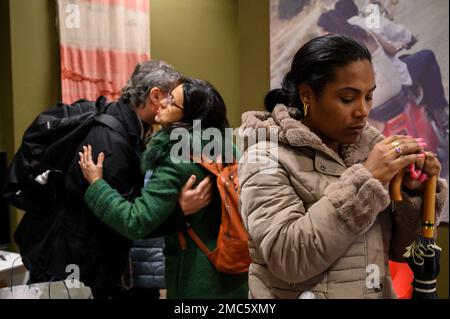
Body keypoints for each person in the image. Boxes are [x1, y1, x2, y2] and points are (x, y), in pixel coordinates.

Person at [238, 34, 448, 299]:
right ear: (307, 95)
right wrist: (368, 179)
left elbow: (403, 250)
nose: (363, 111)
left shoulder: (370, 148)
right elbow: (288, 258)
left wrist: (412, 193)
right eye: (348, 98)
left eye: (369, 97)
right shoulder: (263, 157)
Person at [14, 60, 211, 299]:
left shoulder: (126, 123)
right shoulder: (111, 141)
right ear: (155, 95)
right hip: (72, 262)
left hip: (77, 254)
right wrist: (178, 212)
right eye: (172, 98)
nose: (174, 105)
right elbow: (125, 221)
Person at [78, 77, 248, 299]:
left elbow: (136, 221)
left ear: (189, 117)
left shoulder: (175, 160)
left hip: (196, 278)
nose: (162, 103)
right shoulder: (229, 150)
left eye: (172, 102)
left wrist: (97, 184)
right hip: (234, 272)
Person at [319, 8, 449, 135]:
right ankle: (440, 112)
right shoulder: (365, 31)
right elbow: (391, 50)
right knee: (426, 56)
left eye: (323, 35)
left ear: (330, 31)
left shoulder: (336, 55)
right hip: (397, 87)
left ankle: (374, 131)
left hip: (374, 103)